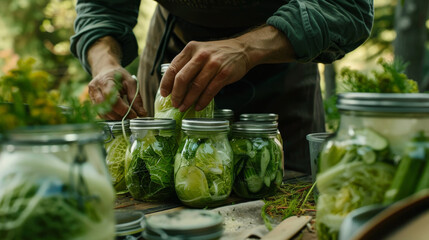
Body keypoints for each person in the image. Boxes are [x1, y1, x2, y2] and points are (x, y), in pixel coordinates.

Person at [70, 0, 374, 174]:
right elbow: (101, 7)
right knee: (159, 181)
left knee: (281, 192)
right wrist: (105, 63)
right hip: (174, 61)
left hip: (282, 57)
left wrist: (246, 48)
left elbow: (349, 9)